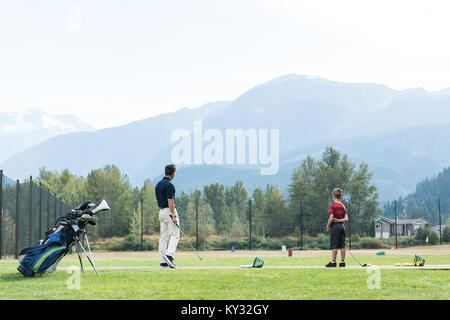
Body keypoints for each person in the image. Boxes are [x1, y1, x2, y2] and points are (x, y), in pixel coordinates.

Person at [155, 164, 180, 269]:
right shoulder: (170, 185)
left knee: (163, 237)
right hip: (169, 211)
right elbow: (170, 200)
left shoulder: (158, 185)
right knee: (175, 234)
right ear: (173, 173)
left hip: (161, 212)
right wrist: (174, 215)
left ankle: (163, 262)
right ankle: (169, 255)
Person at [325, 188, 348, 267]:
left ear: (333, 196)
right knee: (342, 245)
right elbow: (346, 218)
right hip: (342, 226)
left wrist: (328, 226)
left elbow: (331, 218)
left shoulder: (333, 206)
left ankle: (333, 262)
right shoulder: (343, 206)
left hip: (335, 226)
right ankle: (342, 262)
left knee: (334, 244)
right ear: (341, 197)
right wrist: (339, 220)